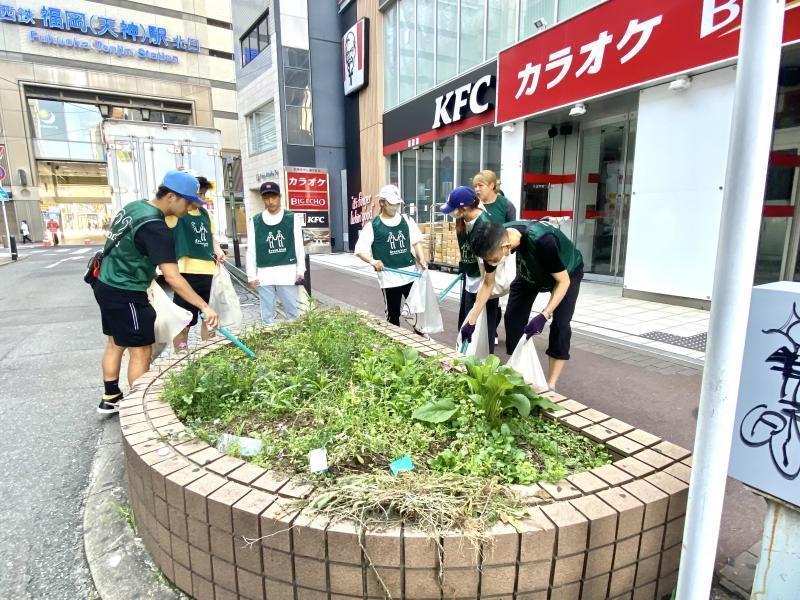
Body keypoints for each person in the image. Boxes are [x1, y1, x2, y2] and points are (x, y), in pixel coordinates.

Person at [93, 170, 220, 414]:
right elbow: (172, 276)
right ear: (171, 197)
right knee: (141, 351)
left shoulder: (135, 207)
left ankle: (111, 396)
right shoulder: (156, 228)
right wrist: (204, 306)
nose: (190, 207)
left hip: (105, 284)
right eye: (188, 202)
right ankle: (139, 410)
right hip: (127, 292)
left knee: (115, 342)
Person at [462, 219, 583, 391]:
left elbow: (563, 282)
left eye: (493, 259)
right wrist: (471, 321)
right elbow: (488, 284)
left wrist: (544, 314)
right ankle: (517, 368)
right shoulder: (493, 240)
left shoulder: (543, 241)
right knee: (513, 317)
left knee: (561, 325)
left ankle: (551, 386)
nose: (491, 262)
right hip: (531, 273)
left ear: (506, 247)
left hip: (567, 272)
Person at [165, 176, 226, 351]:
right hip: (186, 275)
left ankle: (209, 352)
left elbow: (210, 237)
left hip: (209, 273)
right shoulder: (177, 215)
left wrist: (218, 250)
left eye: (204, 194)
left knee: (210, 319)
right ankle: (181, 354)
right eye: (198, 194)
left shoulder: (206, 214)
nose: (202, 197)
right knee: (183, 320)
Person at [355, 184, 428, 326]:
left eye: (397, 204)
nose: (395, 207)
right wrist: (372, 261)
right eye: (392, 204)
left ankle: (421, 334)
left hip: (410, 274)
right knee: (393, 314)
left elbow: (416, 242)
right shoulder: (373, 226)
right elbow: (360, 250)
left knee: (417, 310)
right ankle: (394, 337)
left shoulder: (407, 220)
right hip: (389, 277)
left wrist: (422, 259)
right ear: (382, 202)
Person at [440, 186, 500, 353]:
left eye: (453, 209)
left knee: (483, 330)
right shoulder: (463, 220)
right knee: (466, 326)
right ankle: (465, 358)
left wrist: (481, 291)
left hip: (484, 285)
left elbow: (488, 275)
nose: (451, 213)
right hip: (470, 280)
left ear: (464, 208)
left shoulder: (485, 228)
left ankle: (484, 363)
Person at [246, 181, 306, 325]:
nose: (270, 201)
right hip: (264, 273)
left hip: (287, 271)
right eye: (266, 198)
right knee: (267, 315)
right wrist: (251, 275)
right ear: (262, 199)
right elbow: (252, 249)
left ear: (279, 197)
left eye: (273, 197)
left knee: (293, 312)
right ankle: (269, 335)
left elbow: (299, 245)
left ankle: (294, 336)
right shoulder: (256, 221)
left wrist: (300, 270)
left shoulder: (291, 218)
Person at [473, 170, 516, 344]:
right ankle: (481, 331)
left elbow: (512, 230)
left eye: (480, 185)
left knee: (497, 293)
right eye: (475, 186)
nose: (477, 189)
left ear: (491, 185)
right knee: (484, 291)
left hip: (499, 255)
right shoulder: (475, 205)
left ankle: (492, 331)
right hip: (481, 256)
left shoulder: (505, 205)